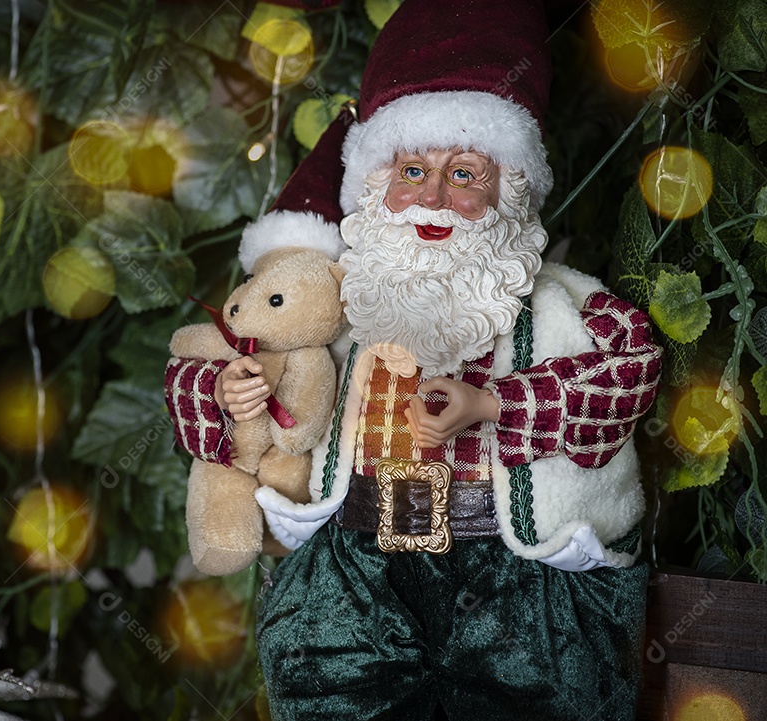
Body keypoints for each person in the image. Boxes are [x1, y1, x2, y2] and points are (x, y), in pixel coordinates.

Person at [164, 0, 662, 718]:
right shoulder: (345, 299)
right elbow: (198, 368)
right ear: (377, 185)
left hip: (522, 583)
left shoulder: (564, 304)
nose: (431, 197)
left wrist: (494, 406)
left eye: (464, 174)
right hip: (356, 573)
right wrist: (228, 392)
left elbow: (633, 369)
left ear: (511, 188)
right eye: (413, 170)